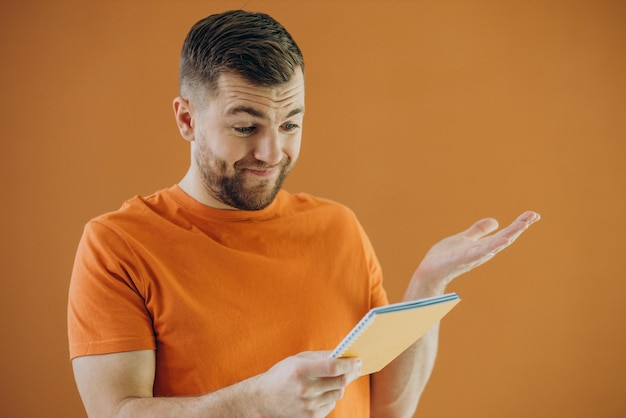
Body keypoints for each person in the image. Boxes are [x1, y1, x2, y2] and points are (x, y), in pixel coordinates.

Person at [67, 9, 540, 418]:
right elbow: (116, 412)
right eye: (246, 126)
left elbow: (389, 407)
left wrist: (428, 287)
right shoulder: (119, 245)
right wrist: (255, 402)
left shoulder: (339, 229)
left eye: (291, 123)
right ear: (187, 120)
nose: (272, 152)